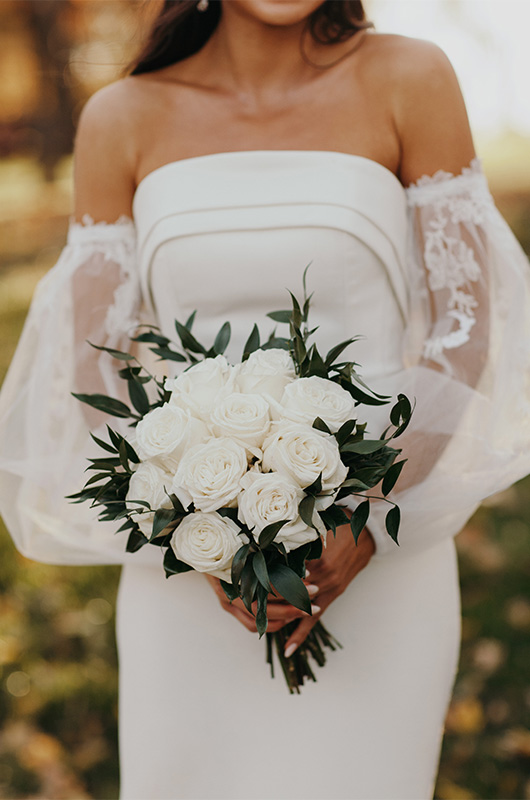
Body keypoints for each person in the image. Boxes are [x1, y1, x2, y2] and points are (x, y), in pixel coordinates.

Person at [1, 1, 529, 798]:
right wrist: (196, 528)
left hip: (386, 549)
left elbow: (463, 328)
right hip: (187, 574)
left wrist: (365, 509)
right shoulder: (122, 116)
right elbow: (95, 365)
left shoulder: (409, 77)